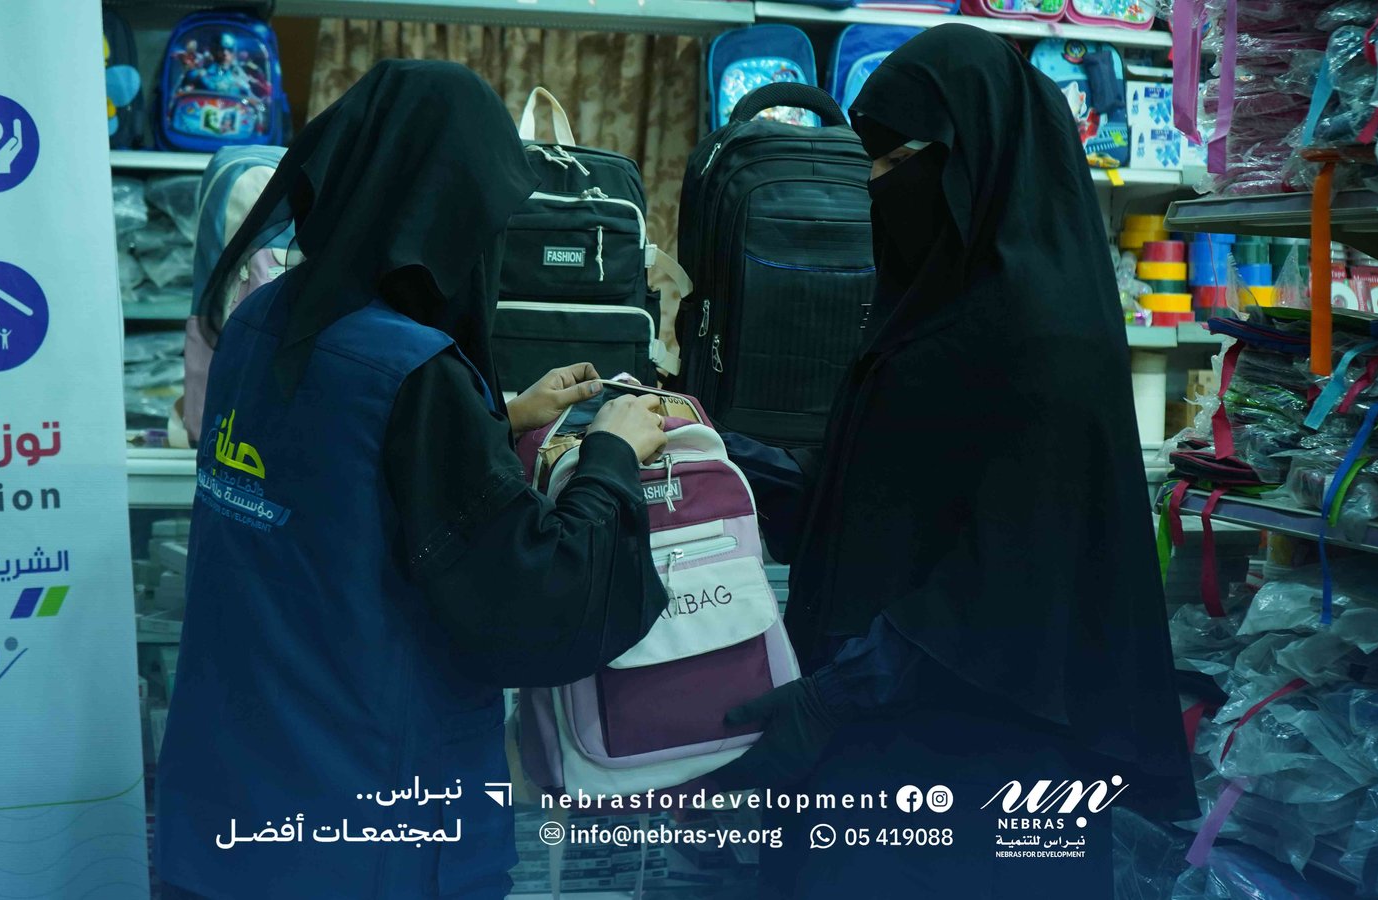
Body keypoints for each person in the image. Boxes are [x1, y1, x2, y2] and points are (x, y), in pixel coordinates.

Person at [154, 60, 671, 900]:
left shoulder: (262, 320)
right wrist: (610, 453)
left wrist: (497, 417)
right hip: (369, 834)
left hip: (228, 811)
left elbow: (334, 478)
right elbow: (531, 598)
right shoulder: (415, 375)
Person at [713, 25, 1195, 899]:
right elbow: (878, 494)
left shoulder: (1041, 341)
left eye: (897, 158)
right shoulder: (933, 309)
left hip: (982, 767)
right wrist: (713, 457)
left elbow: (1017, 577)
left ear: (977, 158)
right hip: (886, 745)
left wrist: (839, 694)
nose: (875, 182)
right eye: (868, 158)